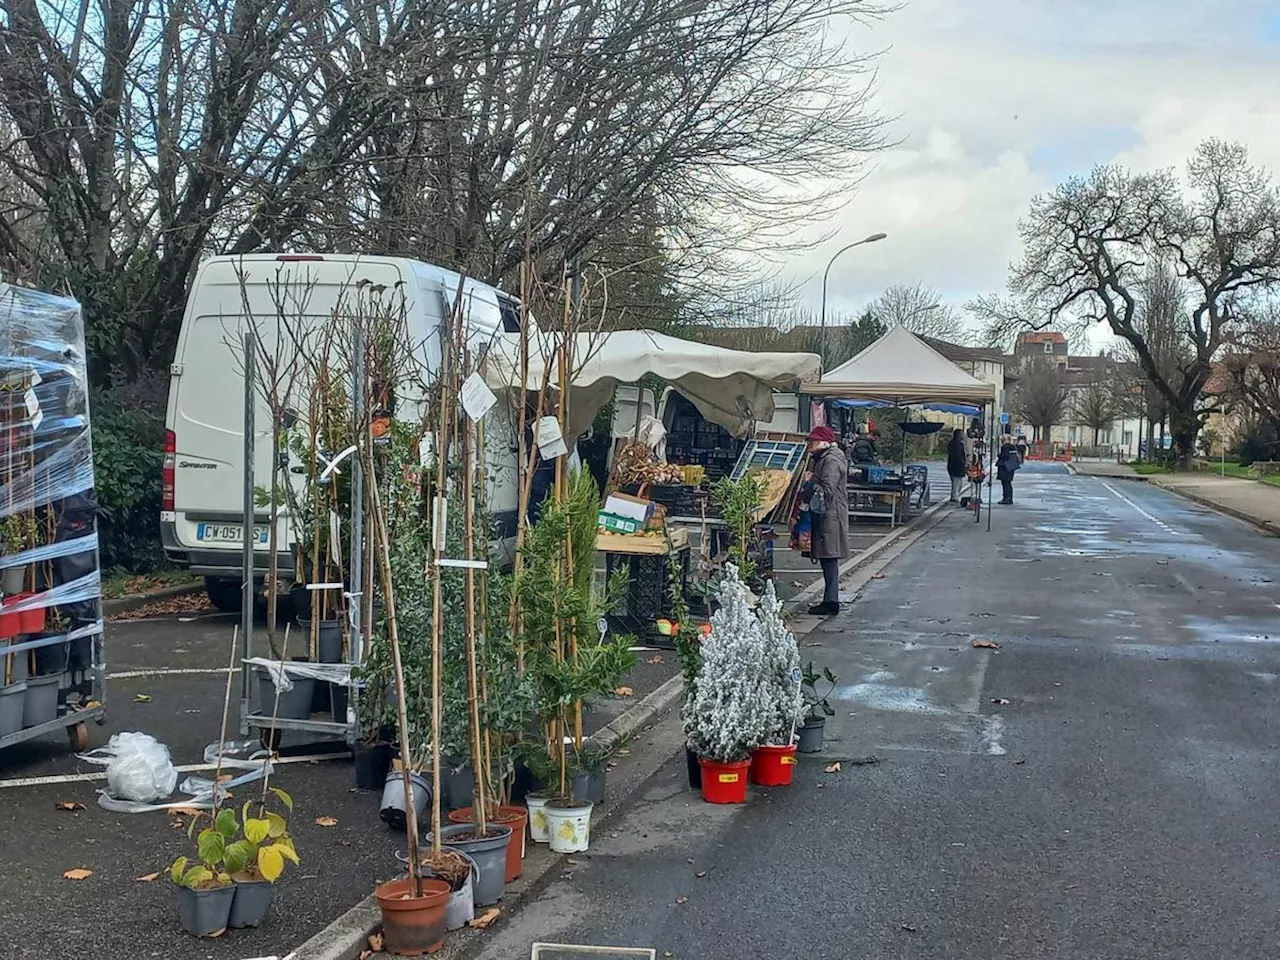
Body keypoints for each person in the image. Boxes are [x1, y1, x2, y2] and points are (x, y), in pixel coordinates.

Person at [801, 425, 849, 616]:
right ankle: (830, 599)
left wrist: (810, 481)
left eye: (812, 442)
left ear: (822, 442)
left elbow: (827, 489)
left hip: (830, 516)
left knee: (829, 557)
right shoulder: (827, 458)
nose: (809, 446)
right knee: (828, 557)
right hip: (829, 514)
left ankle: (831, 601)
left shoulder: (830, 461)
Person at [996, 435, 1021, 505]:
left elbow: (1005, 456)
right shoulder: (1012, 447)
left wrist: (999, 455)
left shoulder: (1006, 447)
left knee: (1005, 483)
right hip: (1010, 467)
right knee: (1008, 483)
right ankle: (1009, 498)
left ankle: (1006, 498)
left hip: (1005, 468)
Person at [946, 428, 968, 504]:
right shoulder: (957, 444)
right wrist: (963, 463)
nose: (963, 435)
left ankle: (954, 497)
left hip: (953, 466)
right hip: (957, 467)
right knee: (956, 483)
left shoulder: (952, 443)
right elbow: (958, 456)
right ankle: (954, 498)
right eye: (961, 434)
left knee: (958, 483)